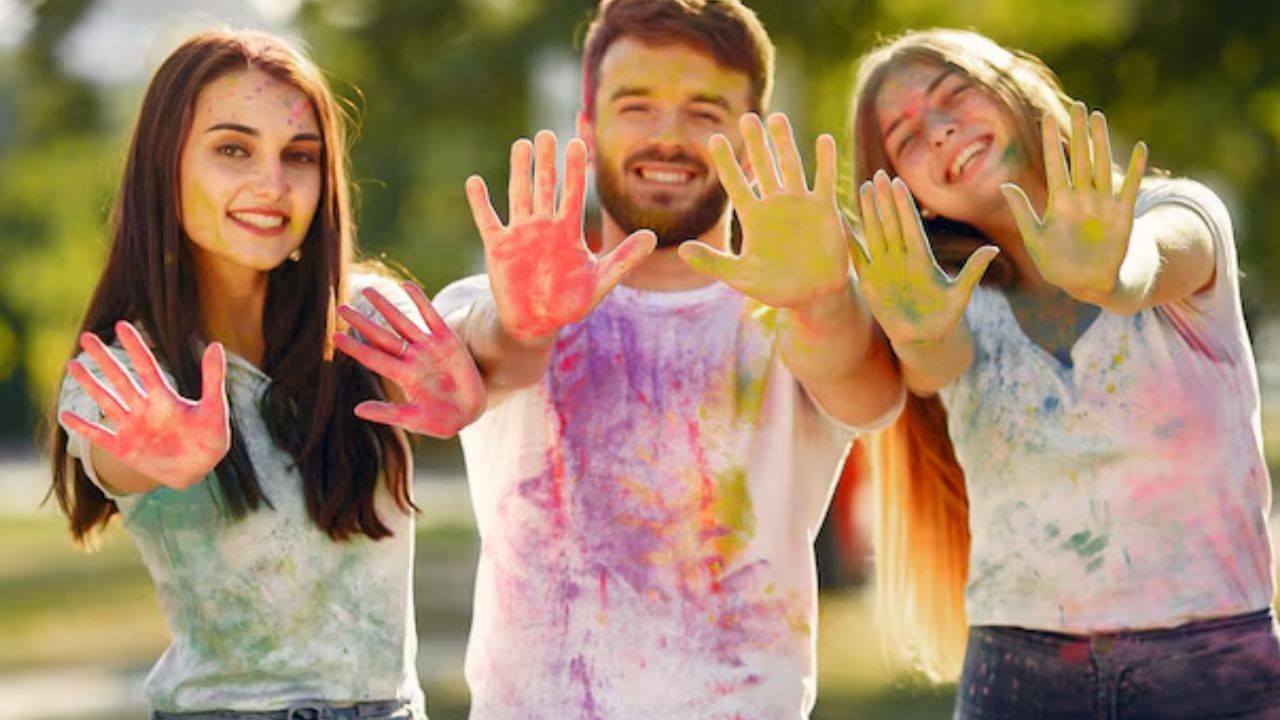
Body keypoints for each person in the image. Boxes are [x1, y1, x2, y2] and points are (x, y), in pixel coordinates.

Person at [432, 0, 904, 716]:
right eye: (637, 106)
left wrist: (827, 302)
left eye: (706, 113)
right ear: (586, 128)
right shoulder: (491, 298)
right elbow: (492, 356)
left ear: (750, 143)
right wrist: (524, 323)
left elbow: (868, 393)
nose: (669, 137)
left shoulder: (803, 313)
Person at [48, 28, 485, 719]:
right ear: (166, 168)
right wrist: (155, 459)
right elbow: (111, 454)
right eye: (232, 150)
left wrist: (505, 330)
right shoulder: (127, 368)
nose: (272, 185)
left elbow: (478, 342)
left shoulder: (366, 315)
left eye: (299, 157)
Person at [848, 28, 1280, 718]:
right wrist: (913, 330)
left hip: (1214, 672)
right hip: (1019, 679)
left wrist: (1108, 270)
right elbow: (933, 362)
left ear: (1015, 94)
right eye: (905, 138)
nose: (937, 130)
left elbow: (1149, 264)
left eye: (954, 95)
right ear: (911, 197)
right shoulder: (945, 295)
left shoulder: (1176, 213)